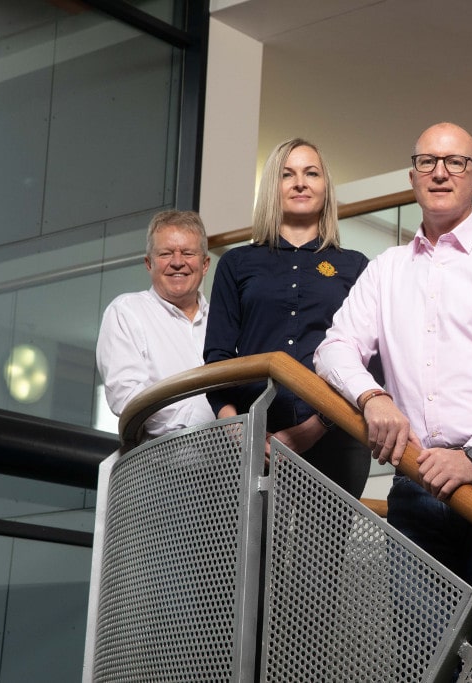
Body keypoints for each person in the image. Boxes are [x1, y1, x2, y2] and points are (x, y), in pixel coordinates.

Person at [314, 122, 472, 628]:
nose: (440, 172)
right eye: (428, 161)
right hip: (416, 480)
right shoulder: (386, 269)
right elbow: (334, 349)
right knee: (418, 659)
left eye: (456, 162)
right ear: (412, 176)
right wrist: (372, 396)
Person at [204, 138, 373, 498]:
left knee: (321, 555)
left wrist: (314, 427)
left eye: (311, 173)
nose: (300, 182)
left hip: (335, 436)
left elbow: (369, 360)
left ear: (325, 187)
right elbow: (218, 355)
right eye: (287, 174)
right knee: (253, 553)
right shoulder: (236, 263)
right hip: (251, 437)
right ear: (272, 188)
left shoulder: (356, 266)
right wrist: (236, 428)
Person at [97, 209, 216, 440]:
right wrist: (208, 423)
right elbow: (127, 395)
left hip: (231, 467)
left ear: (205, 264)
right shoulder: (127, 312)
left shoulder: (223, 322)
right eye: (166, 253)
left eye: (188, 253)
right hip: (160, 469)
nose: (178, 262)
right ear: (148, 263)